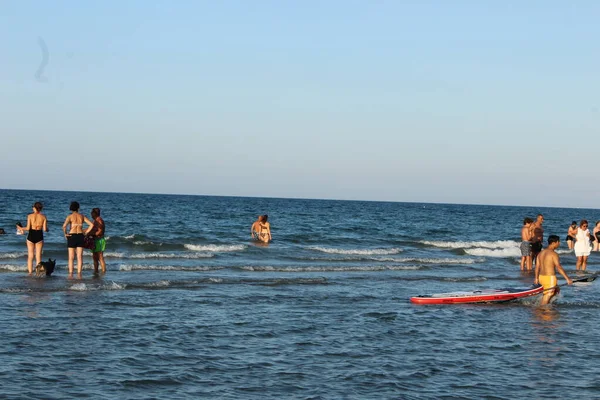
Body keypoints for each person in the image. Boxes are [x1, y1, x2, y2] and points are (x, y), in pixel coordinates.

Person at [534, 235, 572, 306]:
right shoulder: (554, 254)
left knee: (556, 290)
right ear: (554, 242)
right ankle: (541, 311)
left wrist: (536, 278)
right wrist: (567, 279)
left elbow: (537, 267)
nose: (559, 244)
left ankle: (548, 307)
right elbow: (559, 267)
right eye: (559, 242)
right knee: (548, 295)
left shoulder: (541, 253)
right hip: (549, 278)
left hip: (541, 277)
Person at [62, 201, 94, 278]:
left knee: (71, 257)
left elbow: (64, 226)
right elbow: (91, 225)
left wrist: (65, 234)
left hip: (72, 236)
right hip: (80, 236)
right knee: (79, 257)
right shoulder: (82, 216)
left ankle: (71, 274)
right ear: (78, 208)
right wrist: (86, 232)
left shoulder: (69, 217)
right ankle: (79, 274)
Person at [16, 202, 48, 275]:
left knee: (30, 256)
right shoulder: (43, 217)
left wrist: (20, 228)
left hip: (31, 235)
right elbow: (45, 229)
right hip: (39, 235)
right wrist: (47, 229)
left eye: (33, 207)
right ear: (41, 208)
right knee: (38, 256)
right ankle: (38, 273)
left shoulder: (30, 216)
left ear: (34, 208)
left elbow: (27, 228)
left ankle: (30, 273)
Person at [85, 208, 106, 274]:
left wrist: (92, 234)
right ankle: (96, 271)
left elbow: (100, 231)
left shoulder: (99, 220)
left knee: (100, 257)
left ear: (95, 213)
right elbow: (89, 228)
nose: (91, 214)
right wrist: (82, 231)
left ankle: (103, 271)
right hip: (95, 240)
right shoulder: (95, 220)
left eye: (92, 213)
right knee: (94, 257)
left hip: (99, 240)